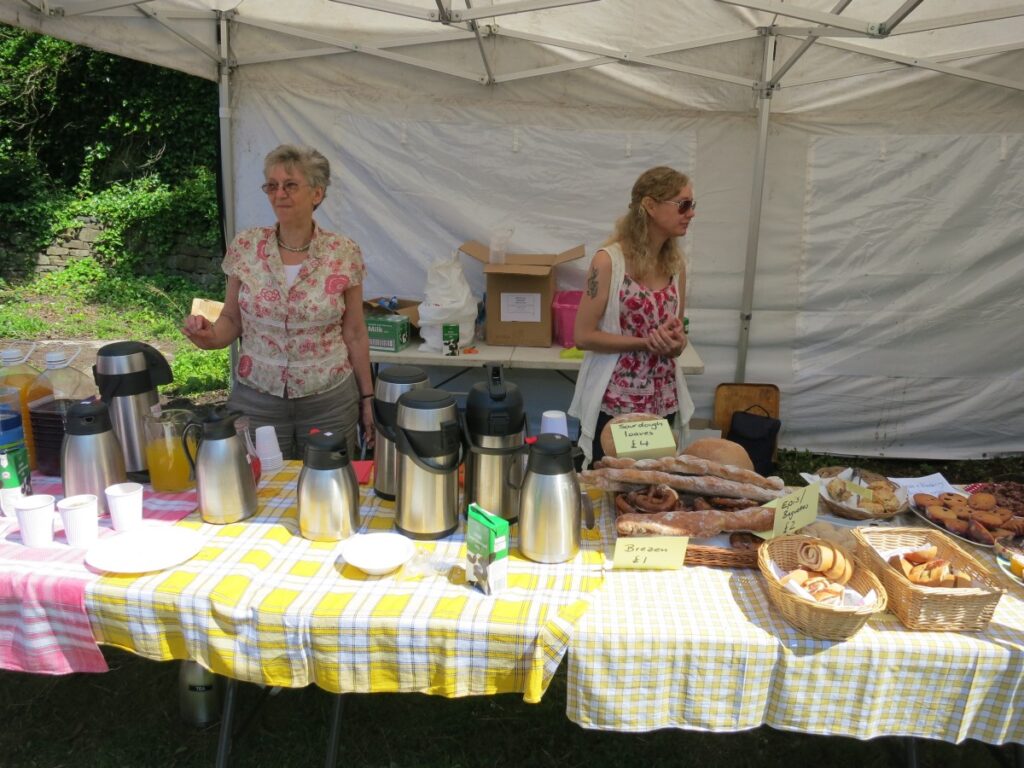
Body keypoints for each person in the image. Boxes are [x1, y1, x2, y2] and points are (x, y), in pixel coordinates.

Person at [182, 144, 374, 460]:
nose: (279, 194)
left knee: (327, 491)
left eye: (290, 185)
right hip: (258, 400)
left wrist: (368, 397)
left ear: (317, 194)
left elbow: (354, 332)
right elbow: (231, 320)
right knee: (261, 490)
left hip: (328, 400)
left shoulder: (344, 253)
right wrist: (208, 336)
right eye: (272, 186)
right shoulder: (246, 247)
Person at [568, 165, 696, 468]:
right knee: (611, 484)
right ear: (650, 206)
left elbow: (678, 337)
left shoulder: (676, 265)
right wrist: (645, 343)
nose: (691, 213)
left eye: (692, 205)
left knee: (654, 487)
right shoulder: (608, 262)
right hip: (616, 402)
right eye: (684, 204)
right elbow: (582, 336)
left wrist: (675, 343)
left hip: (662, 399)